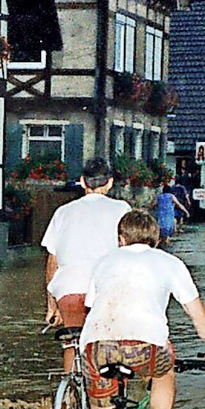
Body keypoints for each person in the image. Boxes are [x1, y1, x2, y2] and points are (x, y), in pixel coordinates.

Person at [80, 209, 205, 409]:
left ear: (121, 240)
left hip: (96, 345)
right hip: (146, 345)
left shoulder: (104, 261)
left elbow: (90, 305)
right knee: (164, 371)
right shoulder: (170, 263)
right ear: (156, 241)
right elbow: (199, 315)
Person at [41, 157, 131, 371]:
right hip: (104, 290)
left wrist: (51, 304)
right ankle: (105, 400)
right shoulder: (122, 209)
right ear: (109, 183)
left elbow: (52, 262)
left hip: (68, 289)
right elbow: (130, 255)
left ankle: (70, 398)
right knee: (109, 346)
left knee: (71, 345)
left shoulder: (62, 212)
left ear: (82, 182)